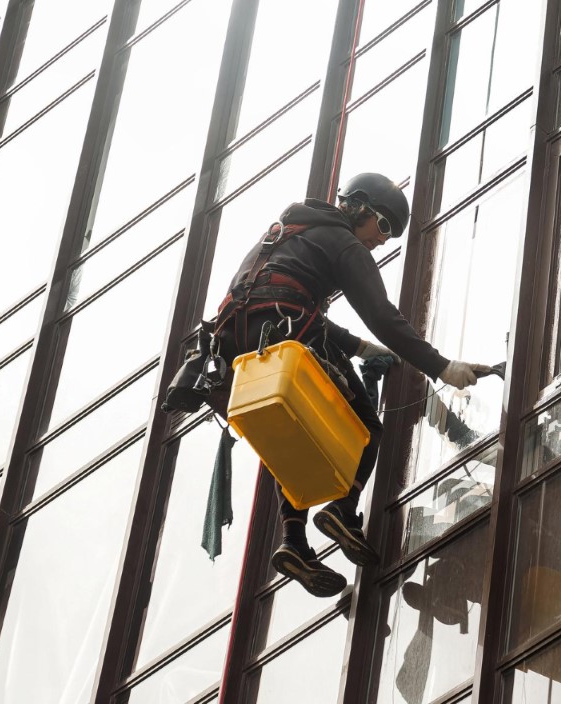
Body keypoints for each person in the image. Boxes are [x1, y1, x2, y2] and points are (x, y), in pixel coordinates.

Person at [207, 172, 489, 598]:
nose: (383, 240)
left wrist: (358, 347)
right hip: (285, 332)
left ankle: (295, 542)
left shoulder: (291, 231)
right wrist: (441, 367)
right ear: (361, 208)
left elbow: (279, 295)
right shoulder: (345, 244)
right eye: (385, 226)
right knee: (365, 428)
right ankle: (342, 510)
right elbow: (382, 315)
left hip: (236, 345)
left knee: (297, 431)